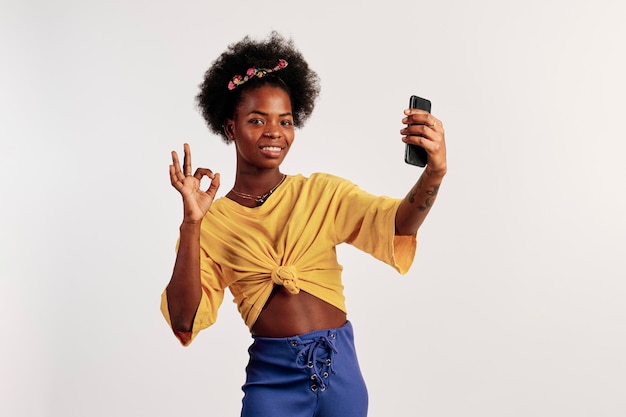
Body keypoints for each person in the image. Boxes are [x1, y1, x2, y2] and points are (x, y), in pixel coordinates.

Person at [161, 32, 446, 417]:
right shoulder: (212, 222)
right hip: (273, 380)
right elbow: (183, 317)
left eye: (285, 120)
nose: (274, 132)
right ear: (230, 127)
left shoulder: (320, 194)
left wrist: (435, 172)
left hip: (340, 369)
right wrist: (192, 224)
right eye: (257, 120)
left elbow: (396, 223)